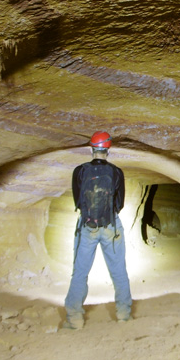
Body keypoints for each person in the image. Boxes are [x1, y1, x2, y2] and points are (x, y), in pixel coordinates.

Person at [63, 131, 132, 329]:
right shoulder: (117, 172)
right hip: (111, 226)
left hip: (87, 227)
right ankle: (123, 314)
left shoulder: (80, 171)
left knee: (80, 273)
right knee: (119, 271)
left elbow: (78, 200)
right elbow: (120, 203)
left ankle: (74, 318)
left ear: (92, 148)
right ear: (108, 149)